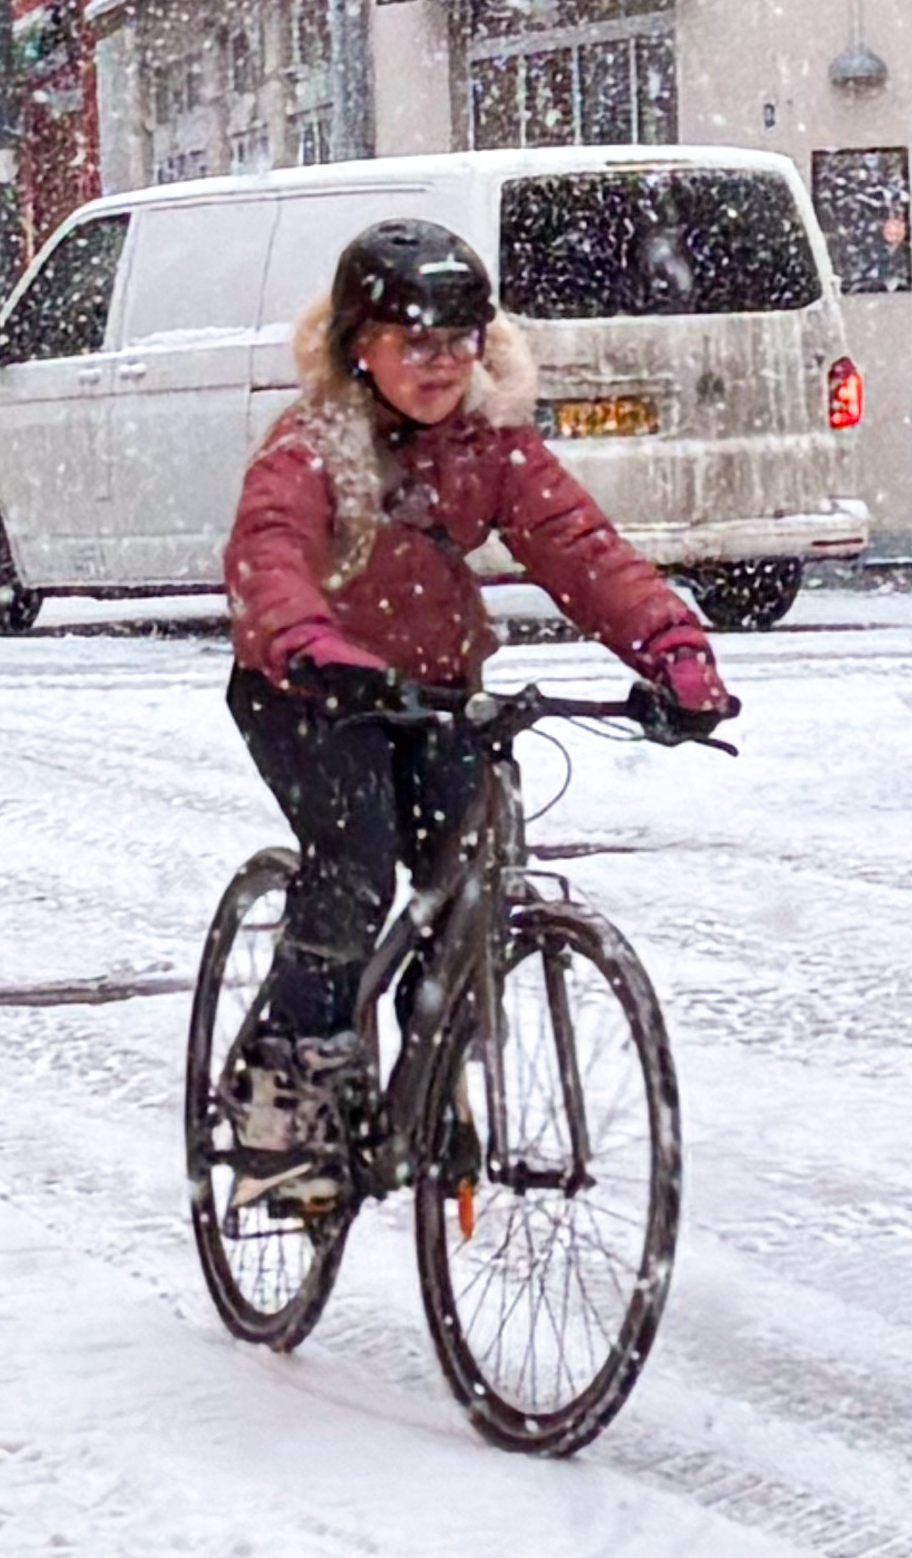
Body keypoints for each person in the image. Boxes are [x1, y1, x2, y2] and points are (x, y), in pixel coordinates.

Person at [213, 218, 731, 1199]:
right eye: (415, 342)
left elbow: (582, 548)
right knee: (355, 869)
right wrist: (313, 646)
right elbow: (269, 555)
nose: (441, 364)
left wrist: (671, 648)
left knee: (479, 876)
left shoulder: (491, 446)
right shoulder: (310, 447)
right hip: (307, 693)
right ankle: (286, 1108)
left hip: (437, 693)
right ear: (358, 347)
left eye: (459, 342)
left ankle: (433, 1070)